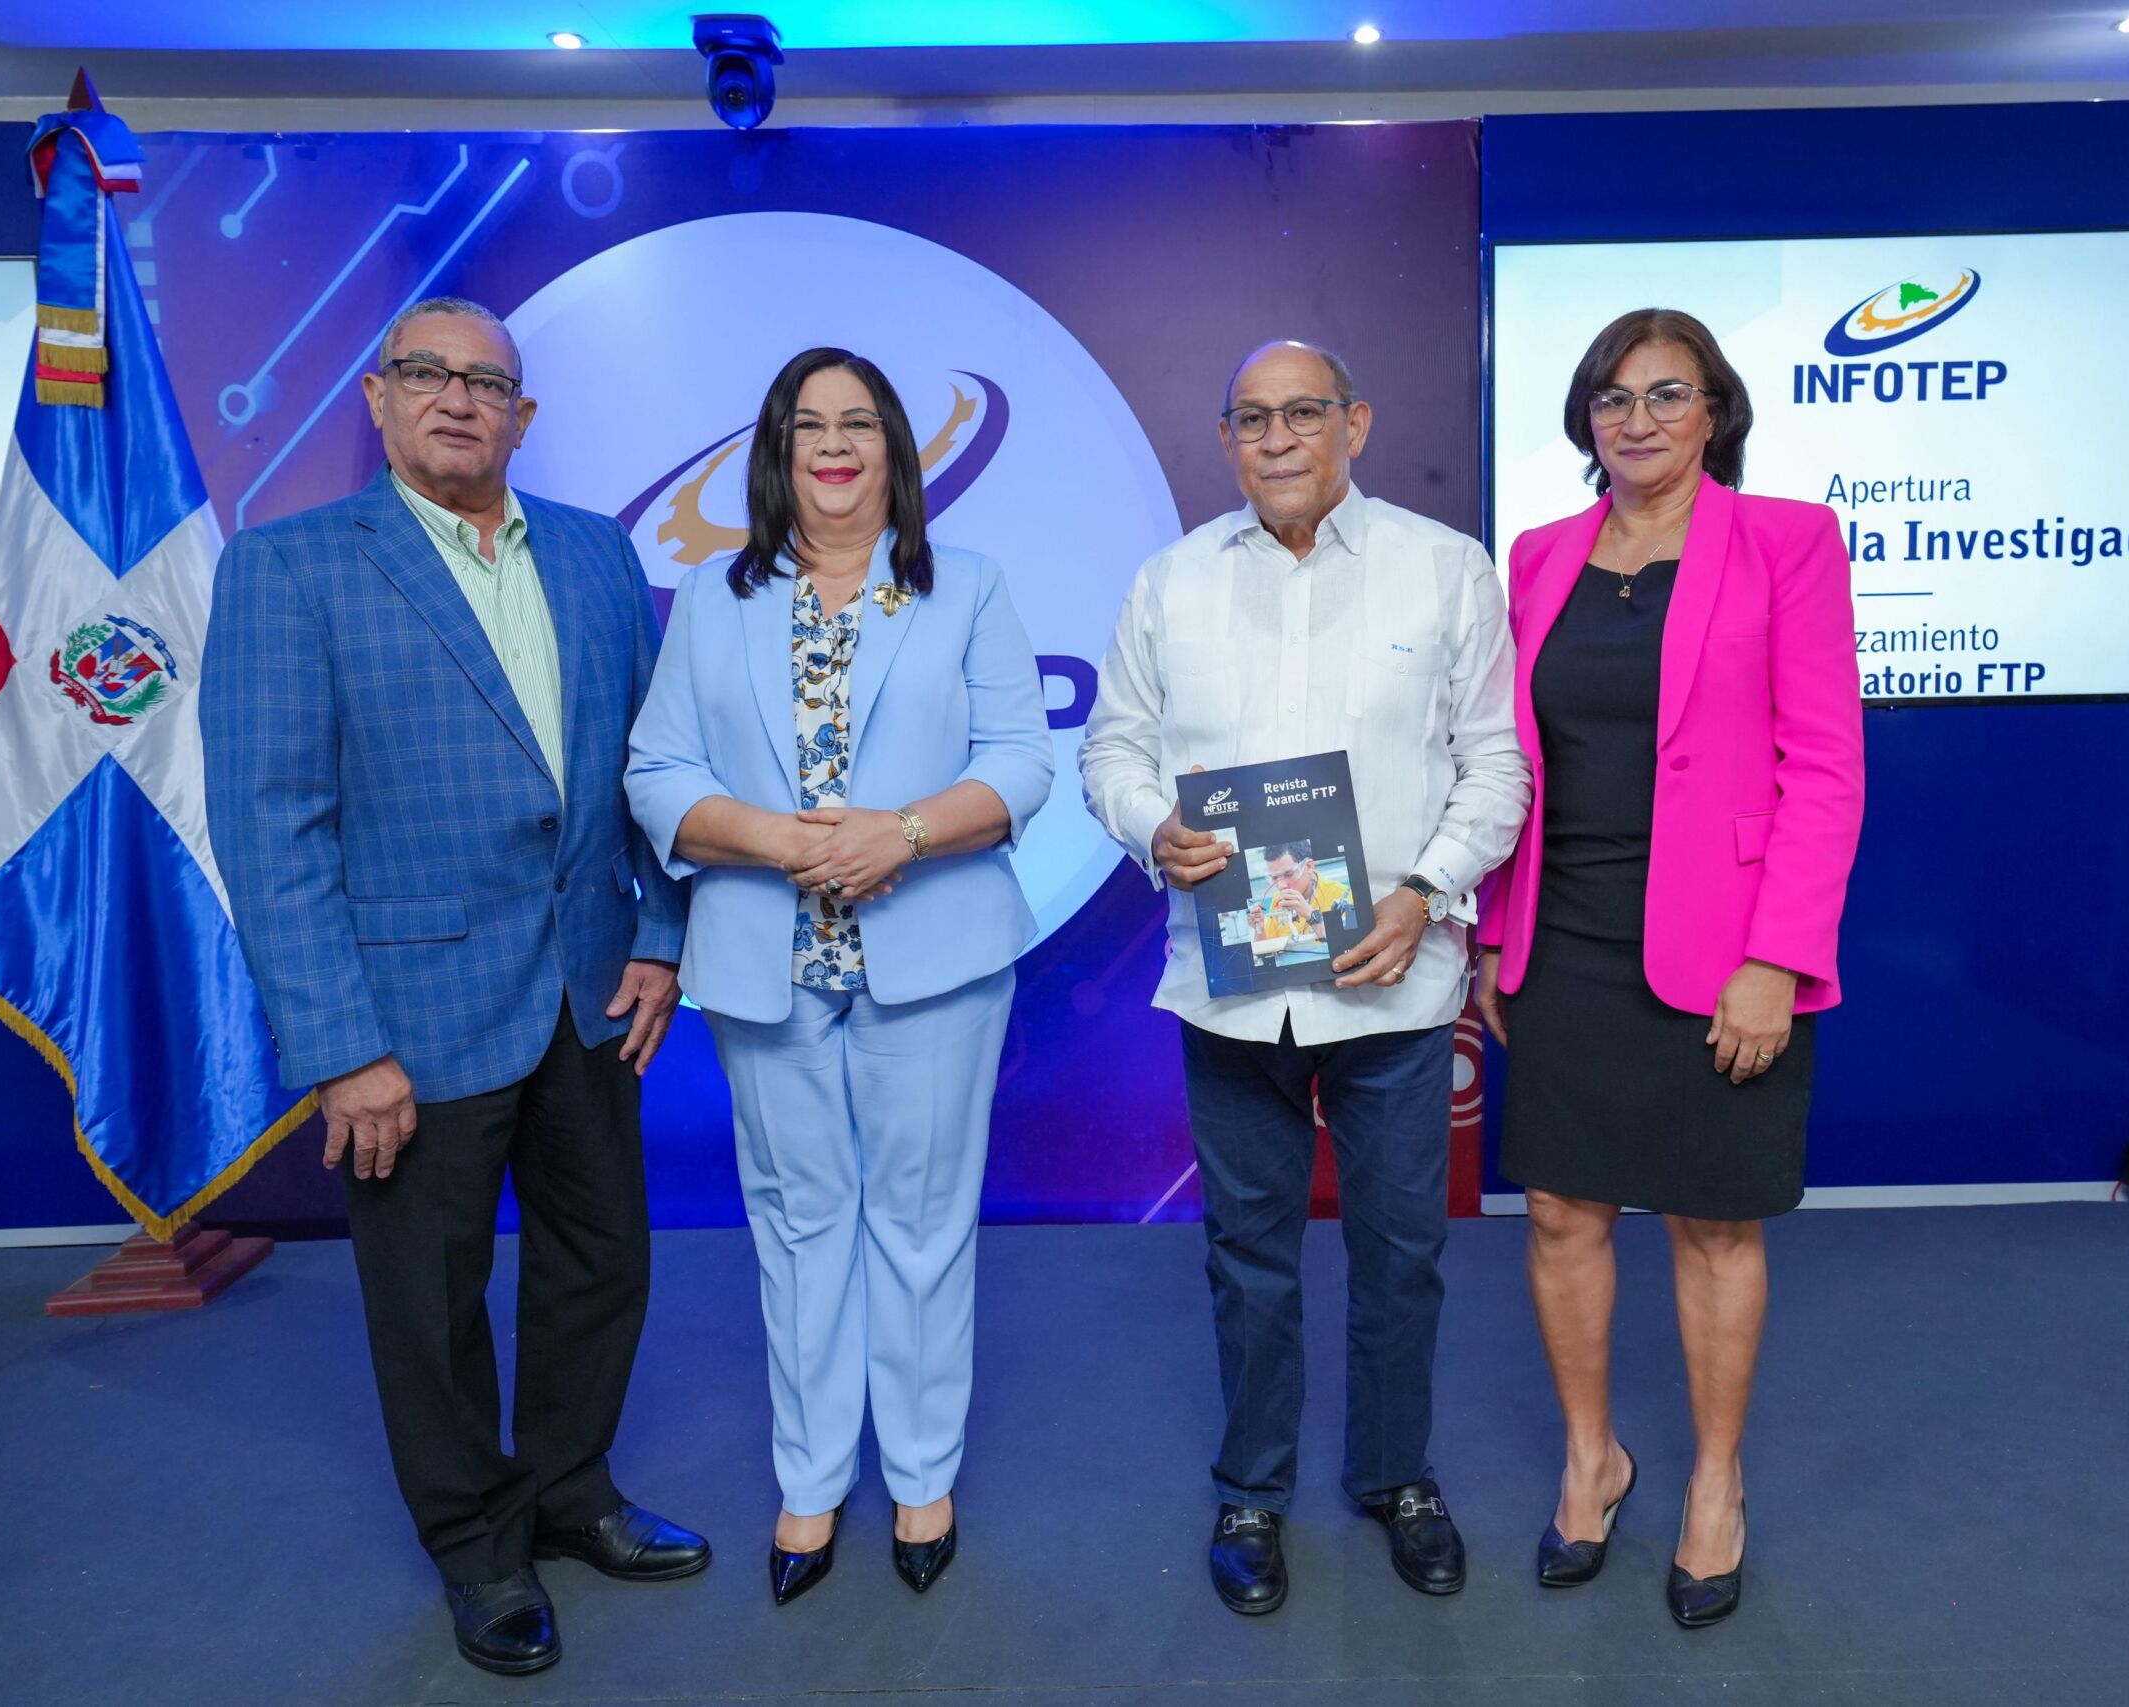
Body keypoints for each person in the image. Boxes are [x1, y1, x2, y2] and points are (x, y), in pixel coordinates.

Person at [203, 298, 705, 1678]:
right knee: (430, 1301)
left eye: (488, 381)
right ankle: (479, 1546)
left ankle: (570, 1490)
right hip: (406, 1026)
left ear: (523, 415)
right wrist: (340, 1048)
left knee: (602, 1261)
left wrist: (662, 931)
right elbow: (271, 825)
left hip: (591, 992)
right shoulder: (290, 567)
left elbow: (650, 767)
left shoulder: (598, 553)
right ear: (377, 398)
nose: (458, 398)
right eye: (425, 372)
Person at [1081, 340, 1526, 1615]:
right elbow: (1112, 749)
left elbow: (1495, 764)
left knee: (1401, 1254)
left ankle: (1395, 1477)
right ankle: (1251, 1490)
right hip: (1233, 991)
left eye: (1303, 414)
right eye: (1252, 419)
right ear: (1228, 437)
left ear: (1355, 424)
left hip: (1392, 978)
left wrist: (1425, 890)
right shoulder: (1169, 583)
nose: (1277, 439)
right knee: (1248, 1257)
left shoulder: (1444, 568)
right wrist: (1149, 827)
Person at [623, 347, 1053, 1606]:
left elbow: (1021, 763)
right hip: (766, 961)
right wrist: (774, 840)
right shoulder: (712, 600)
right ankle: (809, 1481)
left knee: (921, 1223)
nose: (833, 445)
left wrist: (900, 834)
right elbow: (657, 772)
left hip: (937, 955)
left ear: (895, 450)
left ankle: (921, 1475)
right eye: (807, 424)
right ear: (776, 452)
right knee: (800, 1225)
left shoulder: (967, 586)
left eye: (858, 423)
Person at [1475, 308, 1864, 1628]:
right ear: (1584, 418)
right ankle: (1592, 1460)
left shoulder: (1786, 541)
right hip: (1565, 931)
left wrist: (1778, 957)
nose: (1634, 418)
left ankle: (1713, 1483)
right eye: (1611, 396)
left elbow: (1825, 768)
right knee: (1561, 1212)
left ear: (1714, 412)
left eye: (1665, 394)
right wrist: (1493, 931)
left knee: (1712, 1221)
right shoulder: (1538, 556)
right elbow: (1511, 764)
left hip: (1728, 945)